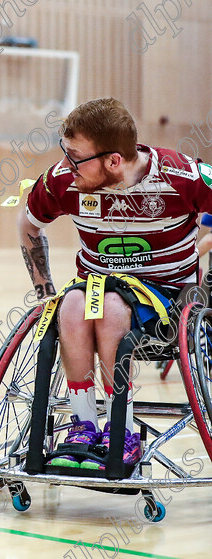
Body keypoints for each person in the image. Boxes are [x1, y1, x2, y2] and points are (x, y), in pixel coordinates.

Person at [18, 97, 212, 471]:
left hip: (169, 300)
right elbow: (28, 225)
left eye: (77, 157)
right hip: (94, 288)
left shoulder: (181, 175)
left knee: (107, 309)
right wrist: (44, 292)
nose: (67, 164)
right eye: (66, 152)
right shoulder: (63, 179)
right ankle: (83, 424)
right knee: (70, 308)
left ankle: (120, 429)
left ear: (114, 161)